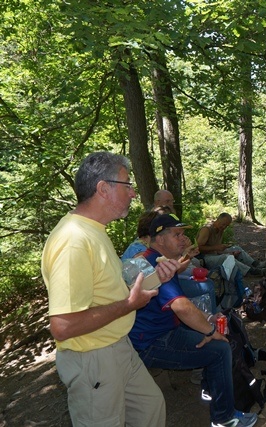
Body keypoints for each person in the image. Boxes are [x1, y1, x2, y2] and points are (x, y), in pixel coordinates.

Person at [41, 151, 179, 426]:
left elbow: (108, 289)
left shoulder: (95, 231)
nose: (134, 194)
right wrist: (129, 305)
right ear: (103, 189)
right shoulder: (73, 240)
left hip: (118, 347)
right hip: (92, 358)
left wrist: (157, 280)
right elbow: (64, 326)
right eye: (127, 185)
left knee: (150, 408)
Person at [129, 213, 257, 427]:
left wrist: (208, 317)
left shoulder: (159, 260)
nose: (183, 239)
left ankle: (212, 389)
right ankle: (224, 418)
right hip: (151, 342)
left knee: (214, 337)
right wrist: (209, 330)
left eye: (183, 234)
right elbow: (181, 306)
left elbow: (178, 301)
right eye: (177, 234)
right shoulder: (151, 265)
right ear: (159, 239)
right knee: (220, 349)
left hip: (161, 333)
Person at [196, 212, 265, 277]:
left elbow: (217, 249)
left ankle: (255, 264)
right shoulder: (206, 230)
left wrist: (230, 252)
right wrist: (217, 248)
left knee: (236, 248)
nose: (224, 227)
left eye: (226, 225)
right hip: (205, 258)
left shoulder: (220, 230)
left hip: (215, 254)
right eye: (223, 224)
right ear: (217, 220)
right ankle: (251, 272)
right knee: (227, 258)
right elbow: (198, 248)